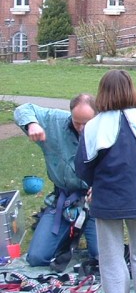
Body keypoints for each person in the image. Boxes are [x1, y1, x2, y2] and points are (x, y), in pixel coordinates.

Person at [75, 70, 136, 293]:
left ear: (102, 93)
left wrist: (96, 184)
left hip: (107, 200)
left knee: (111, 257)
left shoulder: (93, 127)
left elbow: (83, 168)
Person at [13, 95, 99, 267]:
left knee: (103, 257)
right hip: (64, 201)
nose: (81, 128)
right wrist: (32, 124)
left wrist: (101, 187)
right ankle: (66, 232)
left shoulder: (106, 130)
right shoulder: (55, 122)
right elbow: (23, 109)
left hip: (95, 203)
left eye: (86, 123)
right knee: (37, 258)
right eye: (77, 122)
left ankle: (80, 231)